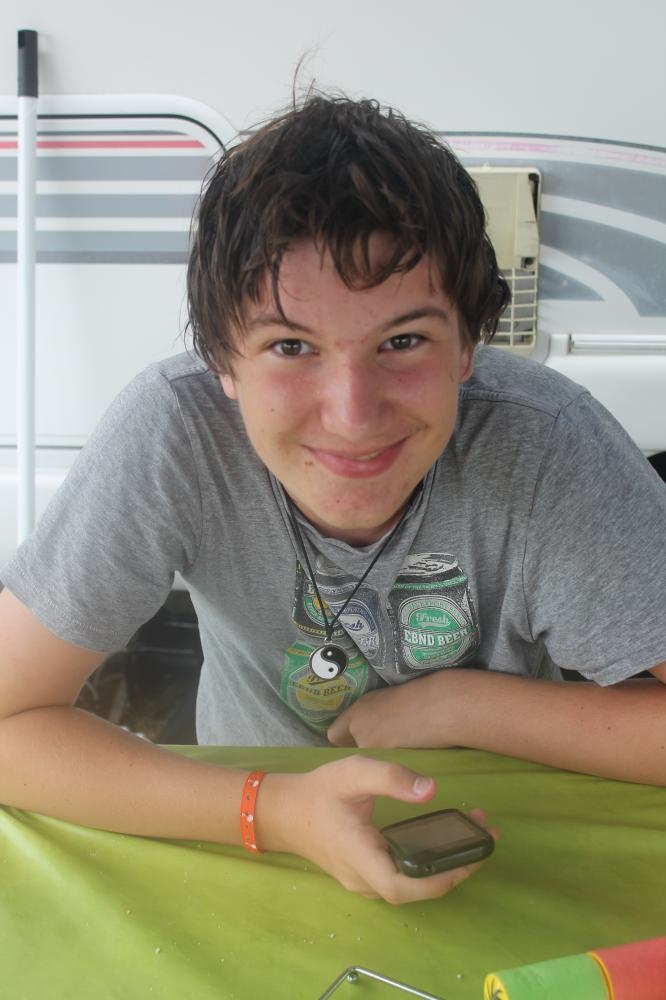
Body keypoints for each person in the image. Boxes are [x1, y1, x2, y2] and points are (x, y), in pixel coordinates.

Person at [0, 94, 665, 906]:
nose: (352, 416)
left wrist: (462, 706)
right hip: (245, 824)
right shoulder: (174, 433)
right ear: (222, 360)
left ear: (468, 346)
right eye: (291, 346)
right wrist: (276, 811)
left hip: (512, 830)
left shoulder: (545, 447)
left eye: (403, 341)